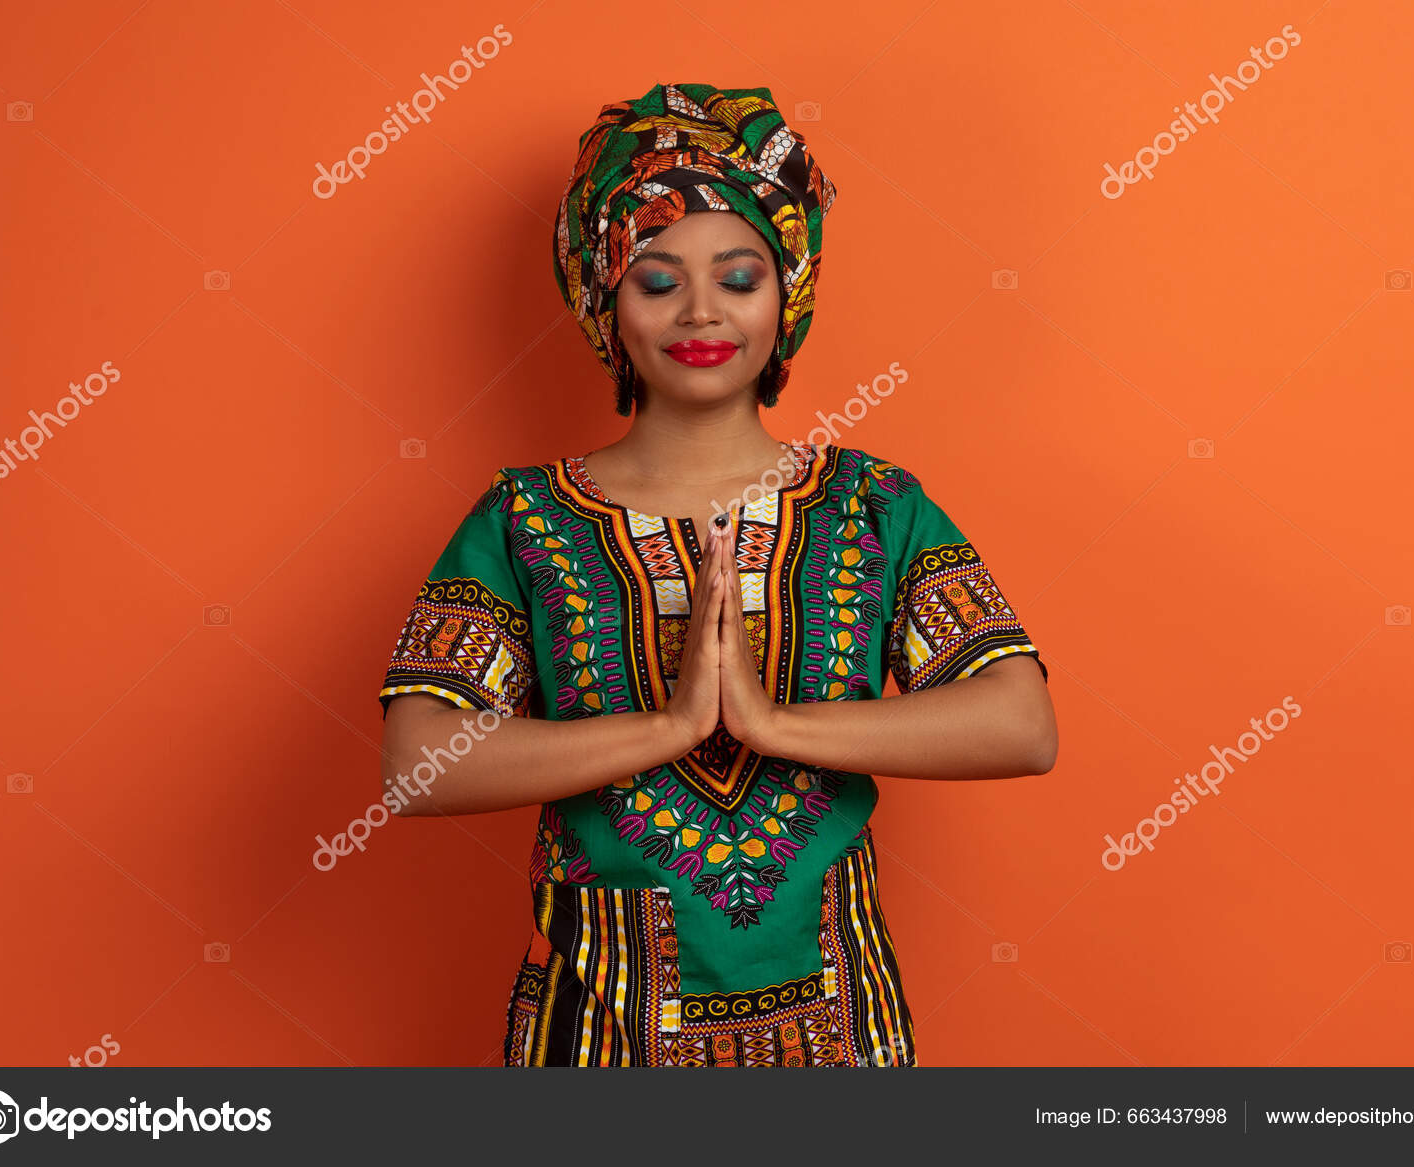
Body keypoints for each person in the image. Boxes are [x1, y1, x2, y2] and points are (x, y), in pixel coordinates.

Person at [377, 82, 1057, 1068]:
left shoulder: (869, 505)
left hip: (838, 1031)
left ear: (789, 290)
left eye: (738, 278)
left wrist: (771, 724)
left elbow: (1020, 723)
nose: (701, 311)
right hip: (596, 1029)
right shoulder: (528, 517)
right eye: (656, 281)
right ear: (599, 289)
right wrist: (668, 726)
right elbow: (416, 762)